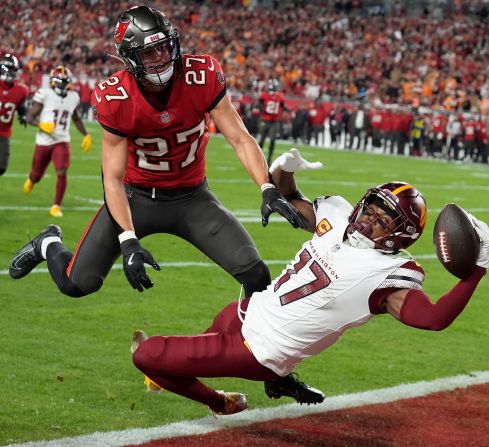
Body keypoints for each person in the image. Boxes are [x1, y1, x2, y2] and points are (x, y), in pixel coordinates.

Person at [8, 6, 316, 405]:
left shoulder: (201, 74)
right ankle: (49, 243)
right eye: (148, 53)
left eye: (164, 48)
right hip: (136, 197)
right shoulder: (115, 96)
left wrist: (266, 188)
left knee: (256, 276)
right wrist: (129, 240)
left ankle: (271, 373)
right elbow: (113, 180)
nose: (160, 58)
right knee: (77, 284)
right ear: (130, 59)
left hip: (192, 197)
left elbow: (239, 137)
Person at [130, 148, 489, 415]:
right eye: (371, 208)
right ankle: (277, 383)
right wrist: (283, 169)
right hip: (250, 309)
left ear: (401, 236)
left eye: (384, 220)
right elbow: (289, 197)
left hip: (262, 349)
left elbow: (433, 319)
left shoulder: (387, 275)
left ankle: (220, 402)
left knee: (148, 356)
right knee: (197, 343)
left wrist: (476, 269)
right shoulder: (337, 215)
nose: (368, 219)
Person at [21, 65, 92, 217]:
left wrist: (86, 134)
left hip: (62, 139)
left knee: (62, 171)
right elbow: (28, 117)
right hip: (44, 141)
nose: (62, 84)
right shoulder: (45, 94)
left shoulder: (73, 97)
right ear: (53, 81)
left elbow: (76, 118)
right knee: (37, 175)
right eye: (59, 81)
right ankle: (32, 180)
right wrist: (40, 124)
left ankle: (56, 206)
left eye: (65, 81)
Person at [0, 54, 30, 177]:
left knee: (1, 167)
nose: (10, 73)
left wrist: (23, 115)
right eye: (7, 69)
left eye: (13, 70)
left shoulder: (21, 90)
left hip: (4, 132)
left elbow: (21, 106)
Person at [257, 78, 285, 162]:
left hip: (273, 121)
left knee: (272, 140)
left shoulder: (279, 97)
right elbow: (258, 104)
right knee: (262, 140)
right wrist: (263, 109)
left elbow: (282, 106)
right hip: (265, 120)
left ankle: (269, 158)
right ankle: (258, 157)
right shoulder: (264, 95)